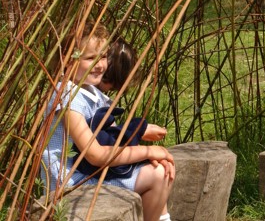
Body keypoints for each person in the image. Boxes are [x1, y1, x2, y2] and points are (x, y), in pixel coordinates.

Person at [41, 23, 175, 221]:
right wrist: (149, 151)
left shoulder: (91, 92)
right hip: (74, 184)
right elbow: (95, 154)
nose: (100, 65)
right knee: (158, 175)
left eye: (103, 56)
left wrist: (146, 156)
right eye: (90, 58)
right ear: (67, 60)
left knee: (159, 170)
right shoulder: (67, 98)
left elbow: (114, 140)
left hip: (91, 173)